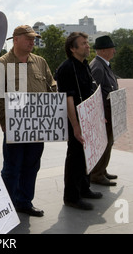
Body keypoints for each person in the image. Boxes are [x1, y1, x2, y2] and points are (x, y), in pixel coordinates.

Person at [0, 25, 57, 217]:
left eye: (34, 38)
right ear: (15, 39)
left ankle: (24, 202)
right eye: (28, 38)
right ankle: (6, 207)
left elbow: (52, 86)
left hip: (38, 126)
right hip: (15, 127)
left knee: (32, 165)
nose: (32, 42)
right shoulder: (1, 65)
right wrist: (3, 121)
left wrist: (53, 112)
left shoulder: (40, 62)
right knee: (12, 168)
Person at [55, 32, 103, 210]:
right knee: (75, 157)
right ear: (72, 48)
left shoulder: (84, 65)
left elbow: (91, 93)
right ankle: (71, 197)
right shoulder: (67, 68)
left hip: (88, 119)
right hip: (75, 120)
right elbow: (68, 99)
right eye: (83, 43)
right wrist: (75, 126)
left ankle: (84, 188)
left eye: (87, 42)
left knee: (86, 155)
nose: (87, 46)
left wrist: (98, 116)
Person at [89, 35, 119, 186]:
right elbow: (94, 91)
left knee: (108, 142)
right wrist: (98, 113)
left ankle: (102, 169)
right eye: (112, 48)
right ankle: (97, 174)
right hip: (104, 113)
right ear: (105, 50)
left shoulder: (102, 64)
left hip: (109, 111)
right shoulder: (98, 66)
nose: (114, 51)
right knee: (103, 143)